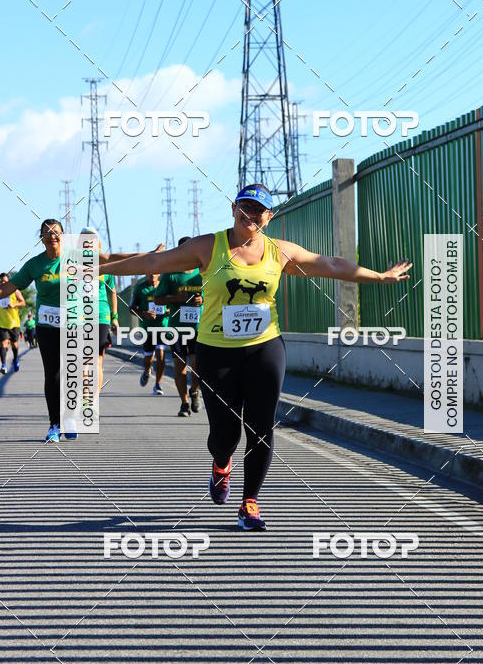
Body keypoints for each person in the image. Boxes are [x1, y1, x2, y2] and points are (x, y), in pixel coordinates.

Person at [99, 183, 412, 532]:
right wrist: (100, 269)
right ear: (234, 208)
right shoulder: (208, 246)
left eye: (259, 210)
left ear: (269, 216)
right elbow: (154, 261)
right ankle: (221, 464)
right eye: (245, 206)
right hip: (216, 352)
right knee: (224, 434)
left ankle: (250, 502)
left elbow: (329, 264)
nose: (251, 214)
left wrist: (380, 276)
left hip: (265, 347)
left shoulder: (278, 251)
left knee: (261, 427)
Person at [0, 219, 78, 444]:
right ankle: (55, 424)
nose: (52, 236)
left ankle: (71, 417)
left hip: (74, 324)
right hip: (46, 327)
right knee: (52, 374)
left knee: (72, 372)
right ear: (41, 238)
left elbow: (108, 262)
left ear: (63, 235)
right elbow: (7, 288)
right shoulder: (35, 265)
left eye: (56, 232)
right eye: (47, 233)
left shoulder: (75, 258)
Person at [157, 236, 203, 417]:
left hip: (199, 328)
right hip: (177, 329)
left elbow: (215, 293)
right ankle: (184, 403)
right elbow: (158, 298)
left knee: (198, 366)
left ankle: (195, 391)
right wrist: (178, 299)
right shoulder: (171, 273)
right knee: (179, 367)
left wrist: (202, 299)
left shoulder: (202, 272)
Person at [80, 227, 118, 392]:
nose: (88, 244)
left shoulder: (105, 265)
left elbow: (112, 292)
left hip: (101, 315)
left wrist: (115, 317)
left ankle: (92, 398)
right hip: (80, 316)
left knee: (97, 359)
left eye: (91, 240)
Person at [129, 272, 169, 395]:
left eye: (156, 271)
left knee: (161, 354)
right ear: (146, 273)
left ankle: (158, 384)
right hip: (147, 329)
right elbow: (131, 308)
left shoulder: (165, 286)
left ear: (160, 273)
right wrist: (144, 314)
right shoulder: (140, 288)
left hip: (162, 327)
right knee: (148, 358)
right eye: (149, 271)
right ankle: (147, 371)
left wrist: (168, 310)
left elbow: (173, 303)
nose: (152, 274)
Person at [0, 272, 26, 374]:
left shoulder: (15, 291)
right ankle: (3, 365)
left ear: (9, 282)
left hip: (14, 323)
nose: (3, 283)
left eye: (5, 282)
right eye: (1, 282)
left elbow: (23, 302)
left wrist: (14, 304)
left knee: (14, 345)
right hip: (1, 322)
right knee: (3, 344)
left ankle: (15, 359)